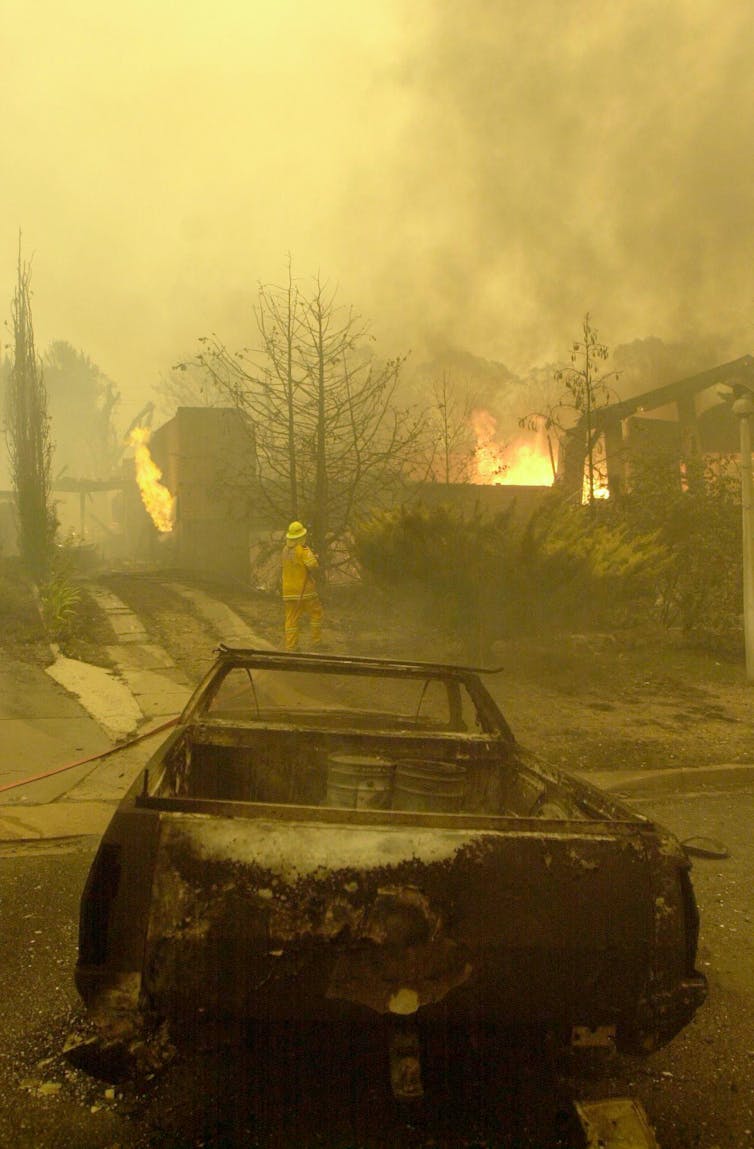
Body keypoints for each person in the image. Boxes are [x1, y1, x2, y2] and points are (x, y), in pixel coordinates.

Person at [281, 521, 323, 651]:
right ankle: (316, 642)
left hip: (288, 591)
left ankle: (291, 646)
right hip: (305, 590)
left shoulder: (285, 550)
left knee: (291, 619)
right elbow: (313, 565)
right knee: (316, 613)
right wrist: (316, 558)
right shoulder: (303, 549)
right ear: (301, 536)